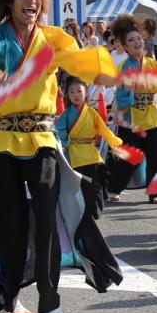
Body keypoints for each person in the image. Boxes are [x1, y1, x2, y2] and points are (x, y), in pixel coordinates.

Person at [0, 0, 120, 313]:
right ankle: (8, 296)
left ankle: (49, 299)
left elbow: (86, 64)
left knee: (48, 221)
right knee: (11, 223)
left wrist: (116, 68)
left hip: (42, 141)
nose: (32, 1)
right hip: (3, 141)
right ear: (8, 0)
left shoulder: (54, 39)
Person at [107, 15, 157, 204]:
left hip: (152, 116)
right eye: (131, 40)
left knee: (156, 157)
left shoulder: (154, 64)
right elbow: (121, 96)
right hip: (131, 118)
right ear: (124, 46)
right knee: (130, 157)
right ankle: (113, 188)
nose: (136, 42)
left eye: (139, 38)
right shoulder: (125, 67)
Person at [56, 77, 123, 219]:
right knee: (76, 185)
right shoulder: (66, 114)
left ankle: (95, 210)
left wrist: (113, 140)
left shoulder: (92, 113)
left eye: (79, 91)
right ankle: (76, 211)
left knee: (94, 185)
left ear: (86, 93)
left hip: (90, 153)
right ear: (67, 94)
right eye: (72, 92)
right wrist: (64, 140)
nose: (75, 95)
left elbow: (103, 129)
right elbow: (59, 128)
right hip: (73, 152)